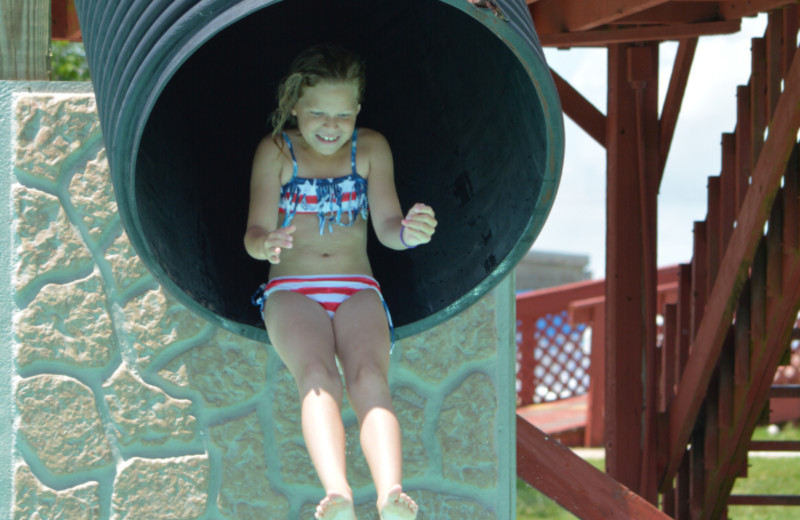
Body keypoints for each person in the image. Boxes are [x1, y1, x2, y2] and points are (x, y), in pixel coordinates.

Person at [244, 44, 437, 520]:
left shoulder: (370, 149)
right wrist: (265, 244)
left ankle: (391, 493)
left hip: (356, 287)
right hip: (292, 290)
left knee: (370, 377)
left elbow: (388, 228)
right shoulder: (276, 151)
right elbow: (251, 234)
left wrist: (410, 234)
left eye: (343, 115)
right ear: (294, 107)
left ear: (357, 112)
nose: (331, 126)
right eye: (318, 114)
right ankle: (338, 495)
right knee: (317, 378)